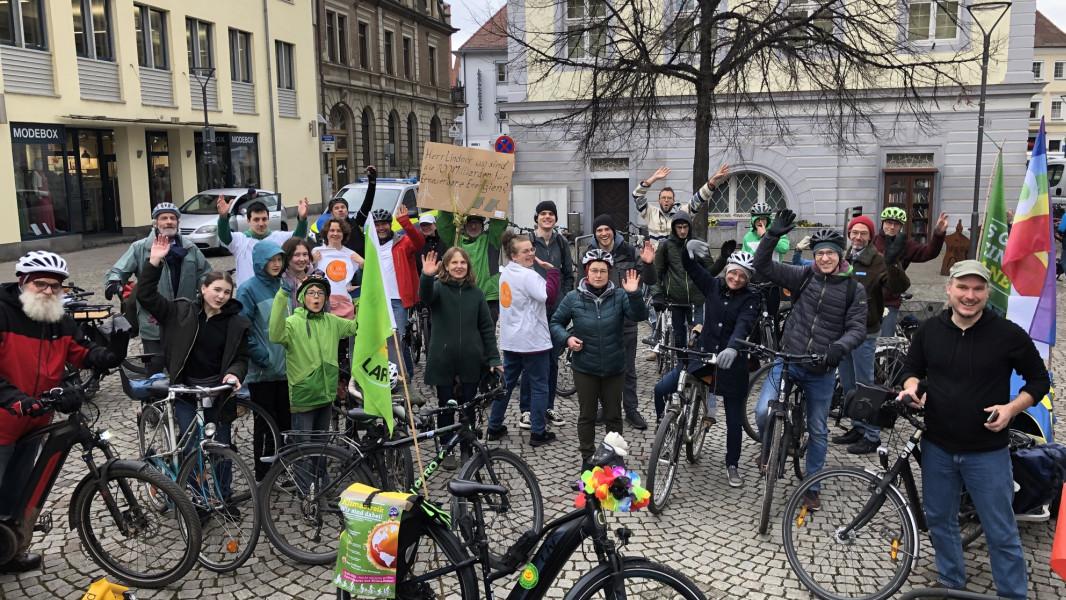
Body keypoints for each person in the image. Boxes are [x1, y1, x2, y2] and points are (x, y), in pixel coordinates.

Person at [897, 260, 1050, 600]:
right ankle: (951, 579)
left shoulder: (1007, 334)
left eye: (978, 288)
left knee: (1000, 530)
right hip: (937, 446)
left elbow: (1040, 379)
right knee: (939, 519)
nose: (970, 295)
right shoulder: (929, 330)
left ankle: (1013, 594)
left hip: (988, 451)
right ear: (948, 289)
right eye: (962, 287)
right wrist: (910, 388)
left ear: (987, 292)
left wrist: (1012, 409)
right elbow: (911, 368)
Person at [0, 251, 128, 573]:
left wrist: (110, 354)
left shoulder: (58, 319)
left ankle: (8, 552)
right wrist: (16, 399)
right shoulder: (3, 314)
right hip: (3, 421)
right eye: (41, 284)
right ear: (23, 282)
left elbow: (81, 352)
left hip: (34, 423)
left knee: (17, 493)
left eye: (55, 287)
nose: (48, 292)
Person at [752, 214, 867, 511]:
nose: (825, 257)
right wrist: (771, 237)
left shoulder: (854, 289)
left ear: (839, 254)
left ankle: (812, 486)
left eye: (830, 252)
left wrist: (838, 347)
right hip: (790, 359)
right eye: (820, 253)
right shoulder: (803, 275)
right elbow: (762, 266)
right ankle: (769, 447)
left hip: (822, 369)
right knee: (763, 412)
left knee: (817, 429)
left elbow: (857, 327)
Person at [137, 236, 249, 507]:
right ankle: (198, 501)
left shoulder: (237, 323)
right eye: (217, 290)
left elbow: (242, 358)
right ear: (203, 288)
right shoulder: (178, 311)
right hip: (186, 392)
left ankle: (224, 498)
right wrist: (154, 262)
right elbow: (145, 296)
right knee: (191, 450)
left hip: (217, 393)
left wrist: (234, 374)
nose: (221, 296)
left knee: (221, 450)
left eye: (226, 292)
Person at [652, 249, 759, 487]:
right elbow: (691, 268)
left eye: (743, 276)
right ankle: (666, 436)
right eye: (734, 273)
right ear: (727, 270)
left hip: (731, 362)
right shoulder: (713, 285)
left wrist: (732, 348)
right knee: (662, 389)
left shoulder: (751, 298)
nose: (737, 279)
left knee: (734, 418)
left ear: (748, 278)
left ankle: (732, 464)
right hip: (701, 354)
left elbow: (744, 325)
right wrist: (688, 251)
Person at [550, 249, 646, 469]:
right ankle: (588, 459)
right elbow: (555, 323)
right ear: (587, 272)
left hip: (614, 366)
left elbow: (639, 315)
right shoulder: (574, 297)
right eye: (594, 270)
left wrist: (634, 293)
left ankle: (614, 458)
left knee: (613, 415)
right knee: (587, 415)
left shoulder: (620, 295)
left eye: (603, 271)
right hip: (585, 367)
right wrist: (567, 339)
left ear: (609, 273)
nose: (599, 275)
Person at [831, 215, 910, 454]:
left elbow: (898, 287)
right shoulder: (844, 258)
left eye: (863, 233)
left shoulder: (877, 261)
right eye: (854, 232)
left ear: (871, 236)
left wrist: (893, 263)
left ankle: (873, 435)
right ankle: (857, 426)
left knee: (865, 386)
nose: (858, 237)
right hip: (842, 333)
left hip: (865, 332)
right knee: (848, 386)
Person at [105, 202, 212, 375]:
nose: (169, 222)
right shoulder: (141, 248)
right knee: (155, 367)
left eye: (172, 218)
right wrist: (114, 282)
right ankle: (154, 400)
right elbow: (119, 270)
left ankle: (183, 399)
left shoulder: (190, 248)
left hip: (184, 318)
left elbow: (204, 273)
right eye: (164, 218)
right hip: (153, 319)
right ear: (155, 223)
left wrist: (207, 288)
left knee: (185, 367)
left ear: (178, 222)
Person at [419, 248, 502, 469]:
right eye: (454, 262)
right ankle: (447, 449)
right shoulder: (438, 288)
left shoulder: (476, 293)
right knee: (446, 407)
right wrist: (427, 276)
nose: (458, 266)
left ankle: (467, 447)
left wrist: (493, 358)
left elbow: (486, 327)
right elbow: (424, 296)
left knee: (468, 407)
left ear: (468, 266)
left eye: (462, 262)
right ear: (446, 266)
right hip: (443, 359)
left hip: (470, 360)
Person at [488, 232, 561, 446]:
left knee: (507, 384)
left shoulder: (506, 273)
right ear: (513, 255)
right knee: (539, 385)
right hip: (532, 341)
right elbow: (549, 297)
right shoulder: (528, 275)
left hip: (512, 340)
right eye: (525, 251)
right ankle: (538, 432)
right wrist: (553, 272)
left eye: (531, 249)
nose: (530, 254)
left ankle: (494, 426)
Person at [269, 270, 359, 439]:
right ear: (303, 297)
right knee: (303, 451)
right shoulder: (292, 323)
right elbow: (275, 335)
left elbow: (356, 327)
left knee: (322, 449)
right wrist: (281, 297)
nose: (316, 297)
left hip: (326, 396)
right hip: (304, 397)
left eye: (320, 293)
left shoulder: (332, 321)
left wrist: (359, 300)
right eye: (311, 293)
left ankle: (321, 467)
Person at [588, 214, 657, 429]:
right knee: (602, 369)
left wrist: (648, 264)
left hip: (626, 320)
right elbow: (583, 287)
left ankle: (631, 409)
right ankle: (605, 408)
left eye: (607, 229)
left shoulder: (629, 252)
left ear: (613, 231)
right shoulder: (589, 255)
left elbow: (651, 280)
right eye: (599, 230)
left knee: (628, 369)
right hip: (600, 321)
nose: (603, 233)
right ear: (595, 233)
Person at [235, 241, 292, 482]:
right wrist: (262, 356)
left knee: (285, 422)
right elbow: (242, 328)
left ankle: (282, 468)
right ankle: (263, 474)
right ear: (260, 261)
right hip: (263, 370)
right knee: (264, 424)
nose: (277, 264)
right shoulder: (248, 289)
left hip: (287, 368)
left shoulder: (285, 285)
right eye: (272, 260)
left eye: (280, 259)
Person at [525, 201, 574, 430]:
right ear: (536, 217)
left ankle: (548, 406)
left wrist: (561, 300)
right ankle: (526, 410)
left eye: (551, 214)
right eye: (543, 214)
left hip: (555, 312)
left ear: (555, 218)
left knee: (553, 360)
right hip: (532, 311)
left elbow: (567, 274)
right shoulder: (528, 242)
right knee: (531, 362)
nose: (547, 217)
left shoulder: (561, 242)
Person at [654, 210, 726, 352]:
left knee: (697, 337)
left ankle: (694, 368)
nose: (682, 231)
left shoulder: (698, 243)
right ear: (674, 228)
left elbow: (710, 272)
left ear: (690, 227)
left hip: (696, 300)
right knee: (679, 339)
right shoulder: (666, 246)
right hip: (675, 300)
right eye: (679, 227)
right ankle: (681, 368)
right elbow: (657, 273)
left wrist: (723, 259)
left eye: (685, 227)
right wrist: (657, 293)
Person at [874, 207, 947, 337]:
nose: (891, 227)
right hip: (869, 301)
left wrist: (938, 233)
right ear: (882, 223)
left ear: (901, 226)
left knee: (886, 344)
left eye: (896, 224)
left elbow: (928, 252)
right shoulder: (872, 242)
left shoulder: (905, 245)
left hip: (889, 302)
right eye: (888, 223)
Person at [370, 205, 424, 377]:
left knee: (401, 339)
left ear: (390, 225)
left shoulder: (402, 242)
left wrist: (405, 222)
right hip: (379, 300)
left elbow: (419, 242)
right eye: (377, 225)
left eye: (384, 224)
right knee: (383, 340)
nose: (381, 228)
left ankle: (406, 375)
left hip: (398, 300)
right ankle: (390, 373)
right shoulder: (370, 245)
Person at [217, 190, 309, 287]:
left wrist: (302, 219)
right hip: (247, 295)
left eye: (264, 219)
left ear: (268, 219)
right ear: (248, 221)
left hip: (271, 294)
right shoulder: (240, 240)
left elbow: (298, 237)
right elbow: (224, 237)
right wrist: (223, 218)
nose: (261, 224)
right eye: (256, 220)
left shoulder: (279, 237)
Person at [632, 164, 731, 248]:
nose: (666, 200)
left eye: (669, 198)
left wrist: (713, 180)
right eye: (663, 198)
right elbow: (637, 196)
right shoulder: (650, 213)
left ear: (674, 201)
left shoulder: (682, 213)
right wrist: (653, 179)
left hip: (677, 261)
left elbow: (699, 199)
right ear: (659, 200)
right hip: (658, 262)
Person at [434, 212, 509, 322]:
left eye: (477, 223)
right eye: (470, 223)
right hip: (461, 296)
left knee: (487, 336)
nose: (473, 226)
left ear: (483, 225)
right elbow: (443, 225)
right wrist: (447, 207)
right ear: (464, 225)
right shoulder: (455, 241)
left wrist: (492, 203)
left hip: (488, 297)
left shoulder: (491, 240)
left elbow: (500, 223)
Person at [318, 166, 378, 253]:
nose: (340, 210)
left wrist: (372, 183)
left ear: (347, 210)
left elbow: (367, 204)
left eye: (343, 207)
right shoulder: (329, 229)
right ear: (332, 212)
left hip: (359, 263)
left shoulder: (356, 222)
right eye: (337, 208)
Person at [313, 217, 362, 320]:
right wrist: (311, 262)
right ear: (326, 233)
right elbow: (306, 275)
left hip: (344, 305)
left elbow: (362, 279)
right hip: (322, 304)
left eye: (339, 231)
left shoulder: (351, 255)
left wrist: (363, 263)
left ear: (344, 234)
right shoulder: (316, 253)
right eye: (332, 230)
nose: (335, 234)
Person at [280, 237, 314, 313]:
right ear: (287, 257)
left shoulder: (317, 279)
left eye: (305, 254)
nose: (302, 259)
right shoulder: (279, 281)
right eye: (297, 255)